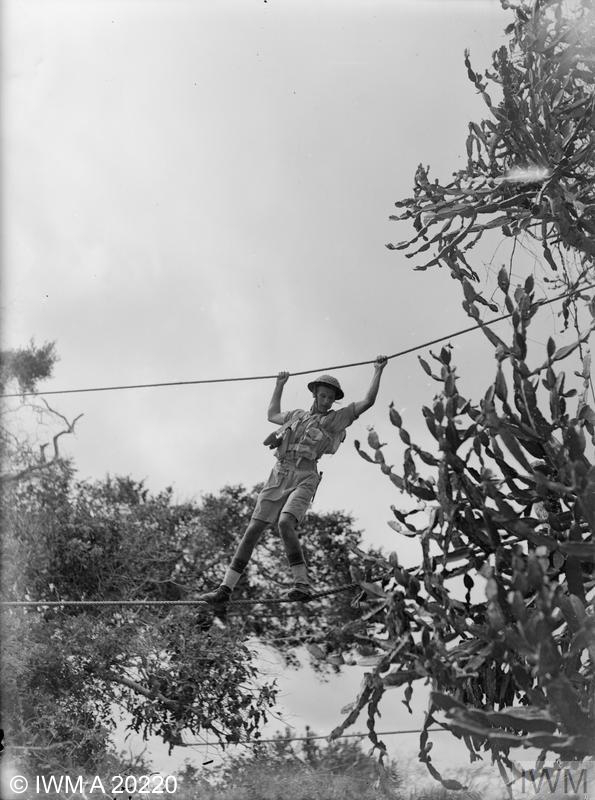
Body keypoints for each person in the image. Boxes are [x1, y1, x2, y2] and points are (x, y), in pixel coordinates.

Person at [198, 355, 388, 612]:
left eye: (331, 398)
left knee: (285, 522)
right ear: (315, 395)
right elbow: (272, 414)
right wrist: (280, 384)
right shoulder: (297, 416)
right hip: (279, 474)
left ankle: (302, 584)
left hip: (306, 476)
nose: (327, 401)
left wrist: (378, 370)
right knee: (253, 530)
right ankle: (225, 589)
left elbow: (368, 402)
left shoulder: (334, 420)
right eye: (323, 396)